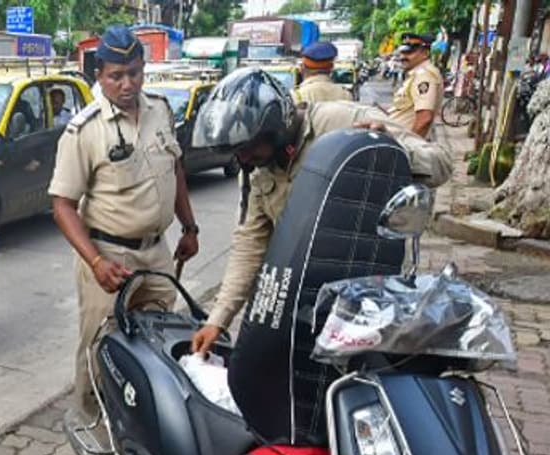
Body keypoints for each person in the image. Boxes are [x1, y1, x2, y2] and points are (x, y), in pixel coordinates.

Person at [188, 68, 453, 357]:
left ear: (275, 129)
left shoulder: (344, 121)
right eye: (238, 152)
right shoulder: (256, 170)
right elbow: (249, 244)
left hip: (368, 290)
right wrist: (218, 320)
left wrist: (389, 148)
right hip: (303, 294)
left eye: (249, 149)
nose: (244, 159)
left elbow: (441, 165)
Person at [48, 24, 200, 421]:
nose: (127, 83)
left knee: (157, 343)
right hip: (109, 258)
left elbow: (176, 169)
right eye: (116, 75)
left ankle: (142, 424)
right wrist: (96, 262)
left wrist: (189, 227)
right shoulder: (84, 130)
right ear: (99, 75)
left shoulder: (160, 110)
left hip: (157, 254)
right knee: (102, 347)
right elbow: (62, 205)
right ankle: (93, 425)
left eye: (134, 72)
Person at [389, 33, 444, 137]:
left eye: (409, 53)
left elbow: (424, 119)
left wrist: (410, 143)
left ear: (425, 53)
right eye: (402, 53)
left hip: (405, 143)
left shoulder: (425, 76)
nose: (403, 57)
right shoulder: (416, 74)